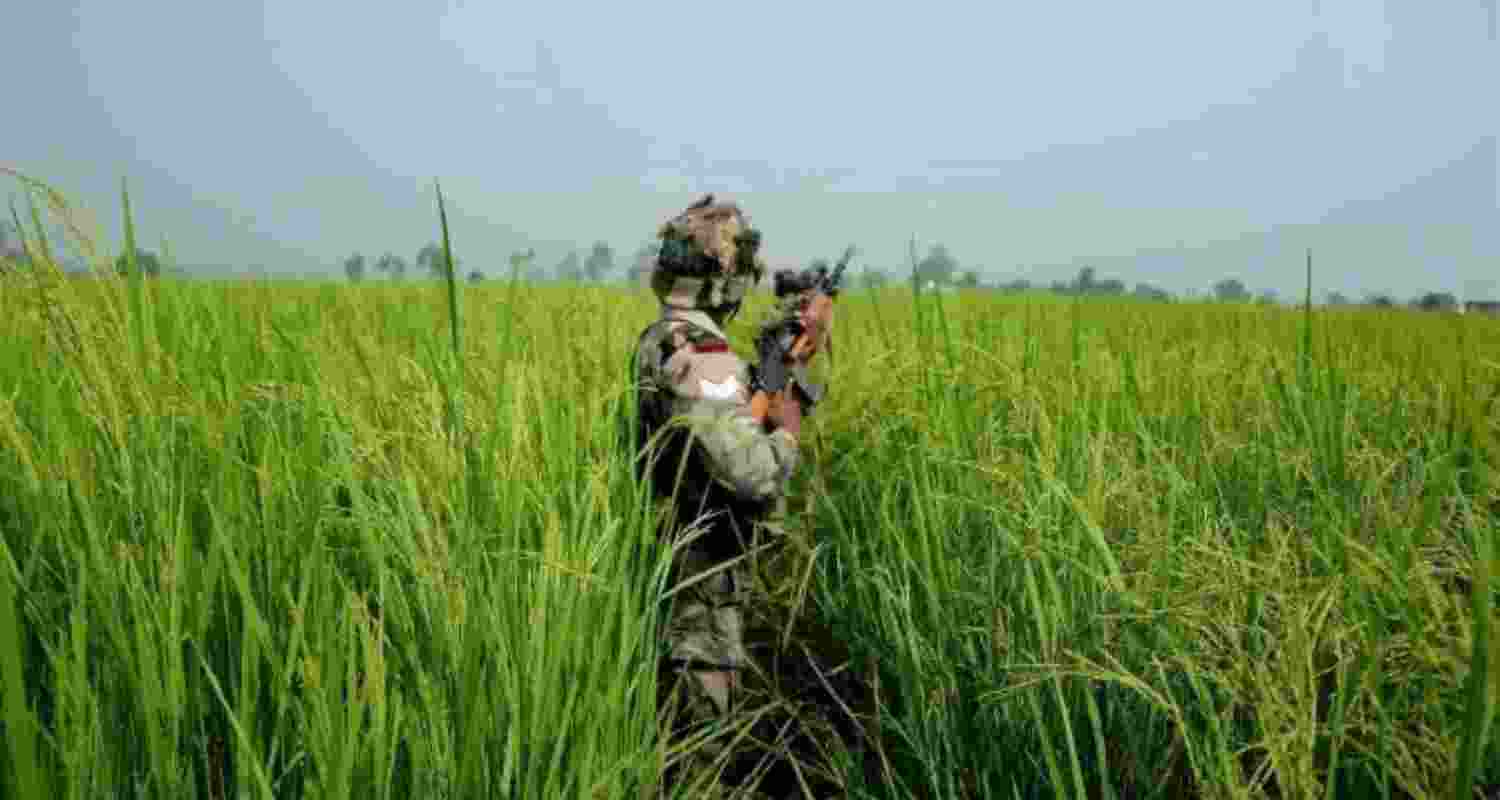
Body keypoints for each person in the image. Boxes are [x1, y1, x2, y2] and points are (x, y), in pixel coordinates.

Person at [632, 194, 832, 784]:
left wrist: (780, 363)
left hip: (688, 573)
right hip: (700, 590)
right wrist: (789, 429)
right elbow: (751, 471)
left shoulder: (670, 339)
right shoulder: (701, 356)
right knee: (697, 762)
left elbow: (722, 425)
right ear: (728, 276)